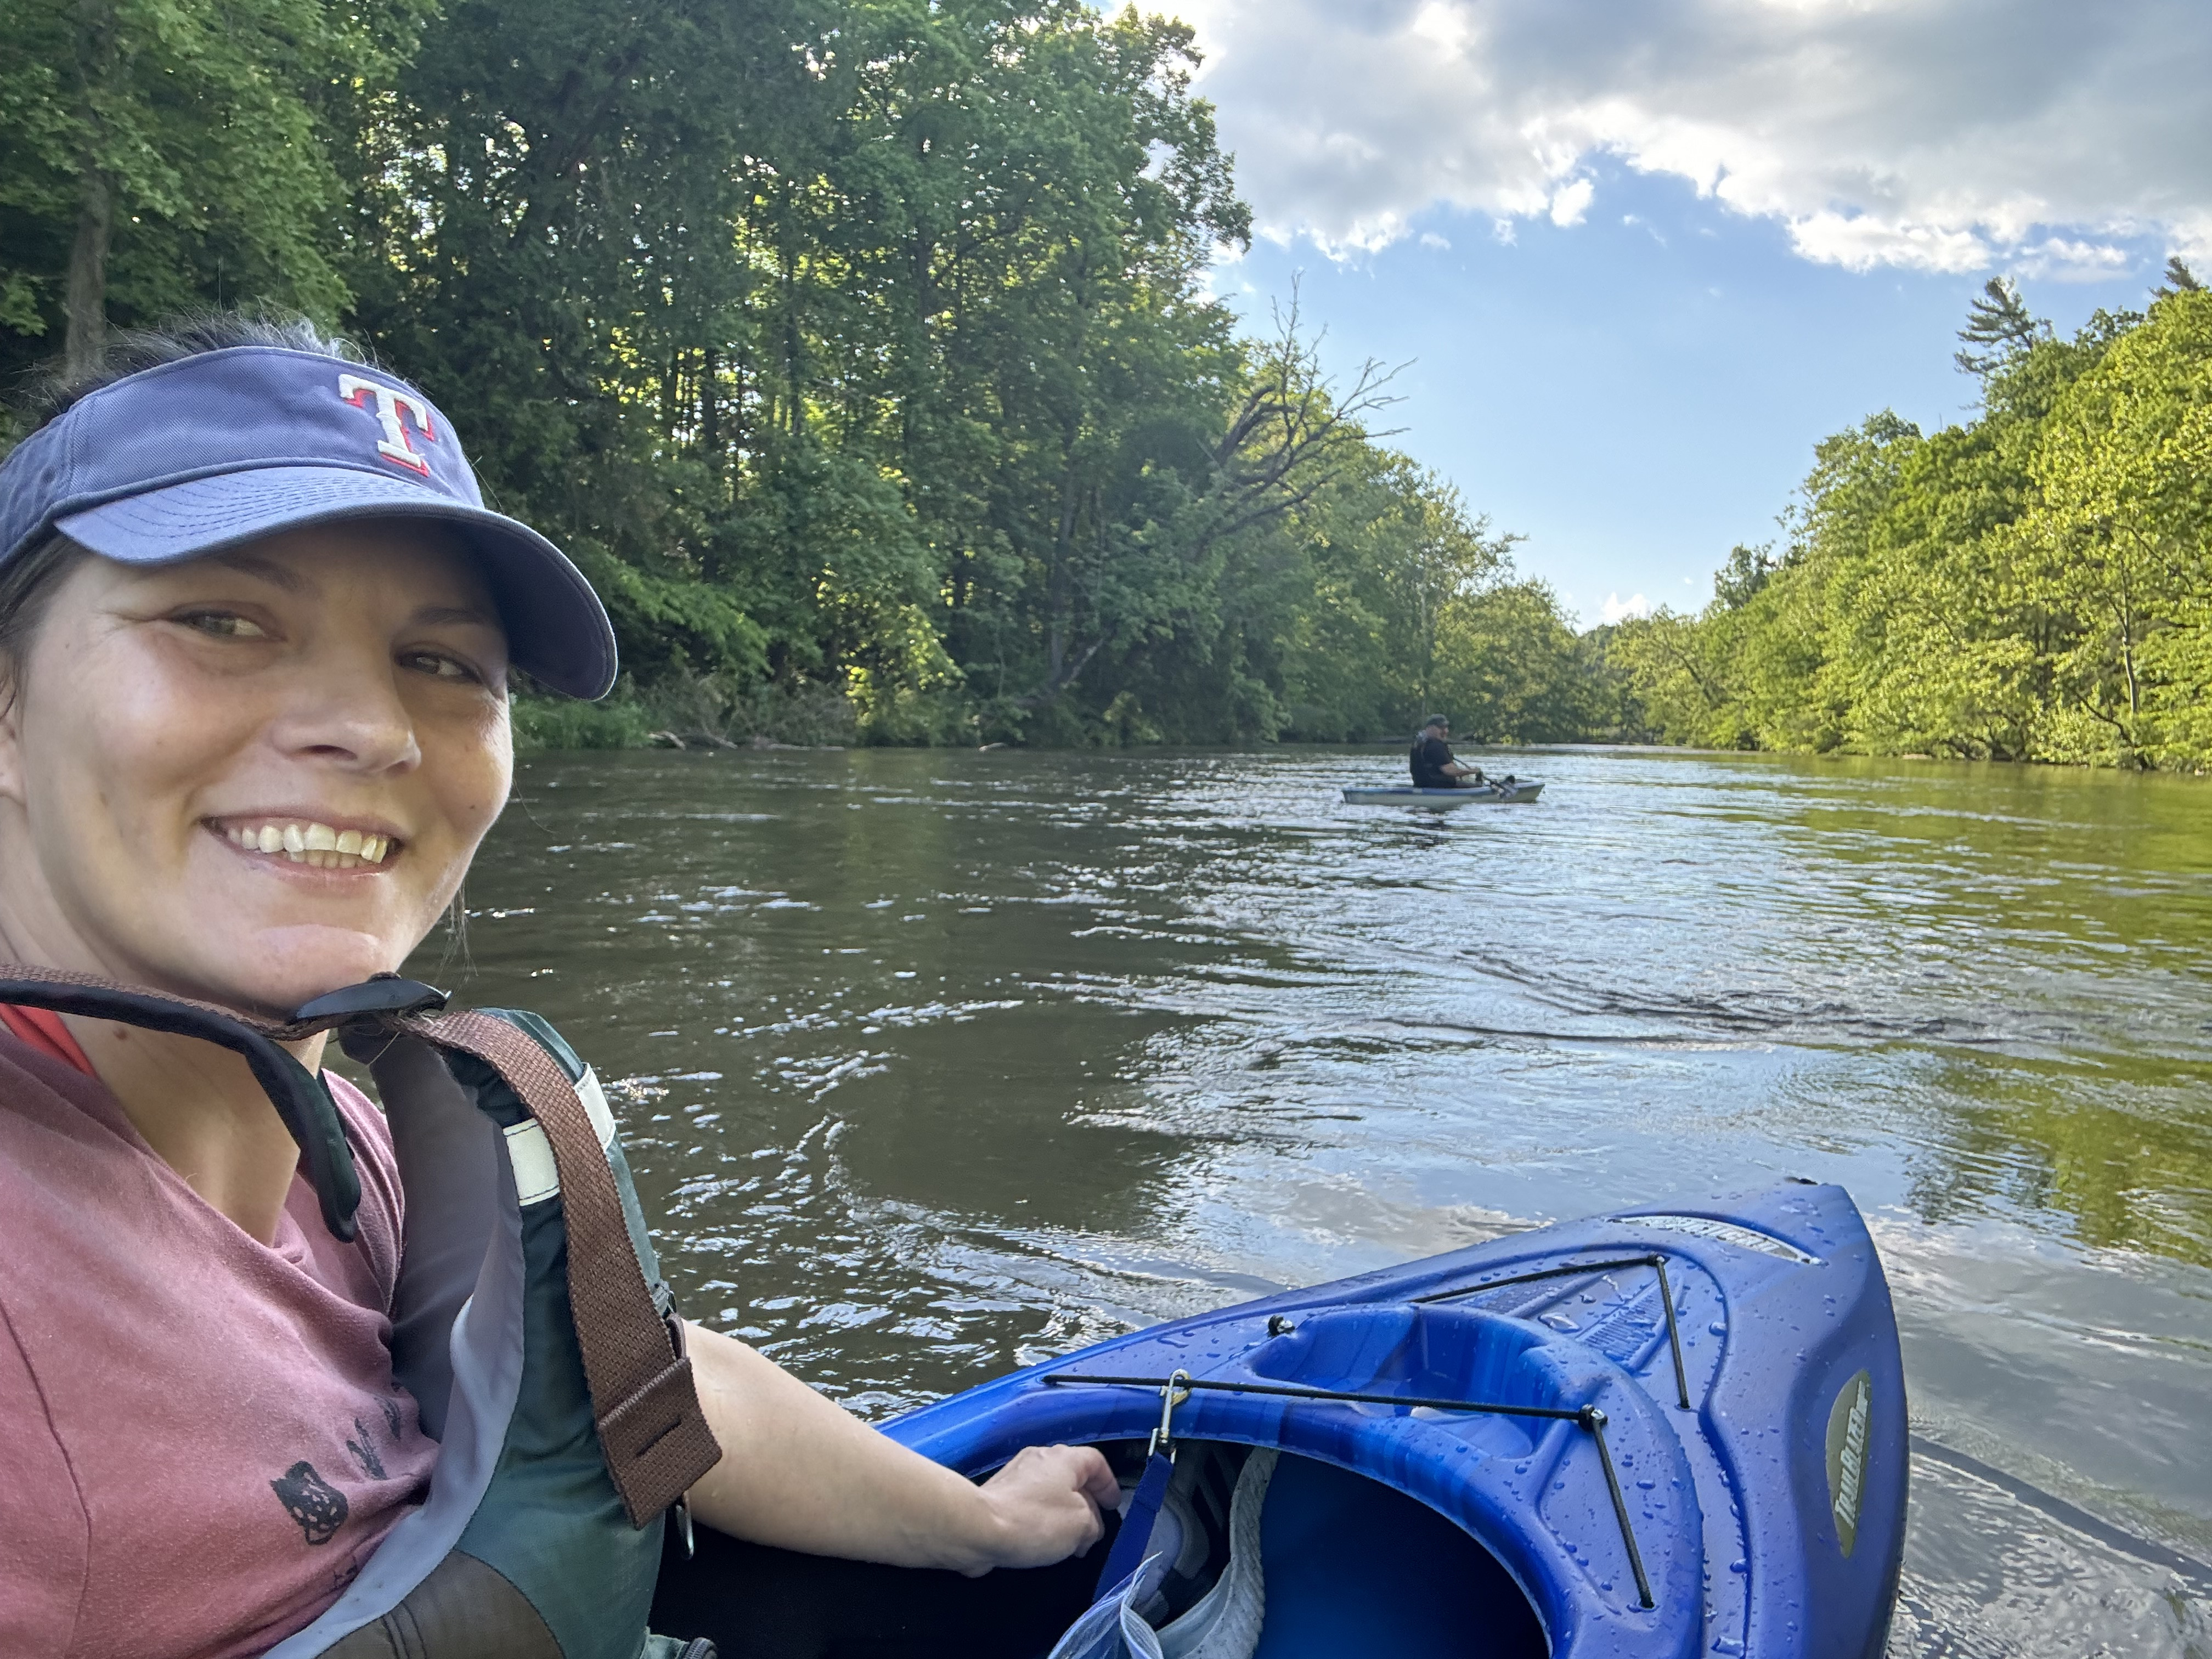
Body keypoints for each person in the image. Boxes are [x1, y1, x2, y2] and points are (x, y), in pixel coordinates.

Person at [0, 315, 1117, 1658]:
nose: (372, 728)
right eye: (223, 621)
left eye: (444, 664)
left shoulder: (344, 1134)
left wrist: (982, 1526)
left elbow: (623, 1378)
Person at [1408, 714, 1485, 789]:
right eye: (1441, 728)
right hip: (1439, 787)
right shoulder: (1435, 746)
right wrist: (1472, 771)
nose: (1446, 731)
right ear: (1429, 728)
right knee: (1479, 786)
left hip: (1420, 785)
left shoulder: (1419, 743)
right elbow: (1450, 771)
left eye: (1446, 728)